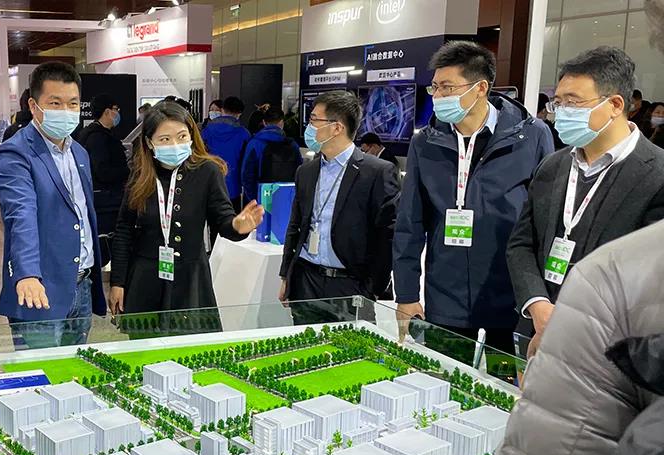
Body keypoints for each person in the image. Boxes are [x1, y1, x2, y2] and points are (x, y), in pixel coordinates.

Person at [478, 221, 664, 455]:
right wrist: (538, 305)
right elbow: (521, 242)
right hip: (539, 326)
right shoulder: (616, 279)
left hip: (577, 332)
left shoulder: (619, 276)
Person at [393, 41, 554, 353]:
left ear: (480, 88)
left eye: (448, 87)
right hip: (445, 296)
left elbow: (544, 222)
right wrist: (407, 294)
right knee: (446, 376)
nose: (438, 96)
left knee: (502, 378)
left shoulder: (531, 135)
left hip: (510, 297)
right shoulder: (426, 142)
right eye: (435, 87)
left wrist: (540, 298)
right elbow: (409, 223)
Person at [506, 46, 664, 355]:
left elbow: (650, 281)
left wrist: (570, 324)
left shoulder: (656, 175)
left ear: (615, 104)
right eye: (558, 102)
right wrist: (537, 305)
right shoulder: (553, 165)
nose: (561, 111)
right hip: (535, 333)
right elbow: (522, 243)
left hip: (606, 349)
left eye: (573, 102)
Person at [108, 101, 263, 316]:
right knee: (147, 336)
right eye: (165, 139)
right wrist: (117, 282)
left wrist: (237, 225)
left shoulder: (207, 171)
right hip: (146, 277)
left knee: (190, 336)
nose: (175, 144)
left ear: (191, 135)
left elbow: (223, 219)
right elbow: (124, 230)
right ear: (150, 142)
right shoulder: (141, 175)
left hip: (191, 277)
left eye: (182, 136)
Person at [0, 61, 106, 349]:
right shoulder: (16, 153)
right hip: (40, 288)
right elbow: (21, 215)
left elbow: (82, 213)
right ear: (34, 106)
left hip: (81, 284)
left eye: (73, 103)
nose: (66, 111)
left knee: (75, 369)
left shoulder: (79, 152)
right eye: (55, 103)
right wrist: (27, 273)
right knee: (41, 372)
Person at [279, 91, 400, 324]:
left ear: (337, 128)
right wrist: (287, 275)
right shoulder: (306, 171)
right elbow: (295, 225)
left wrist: (372, 289)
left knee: (352, 346)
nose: (309, 127)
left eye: (314, 120)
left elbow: (387, 236)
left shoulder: (377, 172)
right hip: (306, 280)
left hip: (350, 285)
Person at [75, 93, 129, 236]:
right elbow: (103, 171)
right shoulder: (98, 138)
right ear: (107, 111)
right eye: (116, 109)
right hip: (106, 201)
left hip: (100, 198)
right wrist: (127, 171)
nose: (118, 113)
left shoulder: (89, 134)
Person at [240, 106, 303, 203]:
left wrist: (254, 199)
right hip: (286, 197)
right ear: (282, 122)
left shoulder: (254, 143)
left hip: (262, 196)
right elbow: (300, 172)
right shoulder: (292, 144)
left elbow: (246, 175)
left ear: (264, 122)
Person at [202, 96, 251, 208]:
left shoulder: (206, 131)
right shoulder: (244, 134)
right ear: (239, 114)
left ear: (222, 110)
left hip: (210, 183)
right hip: (234, 186)